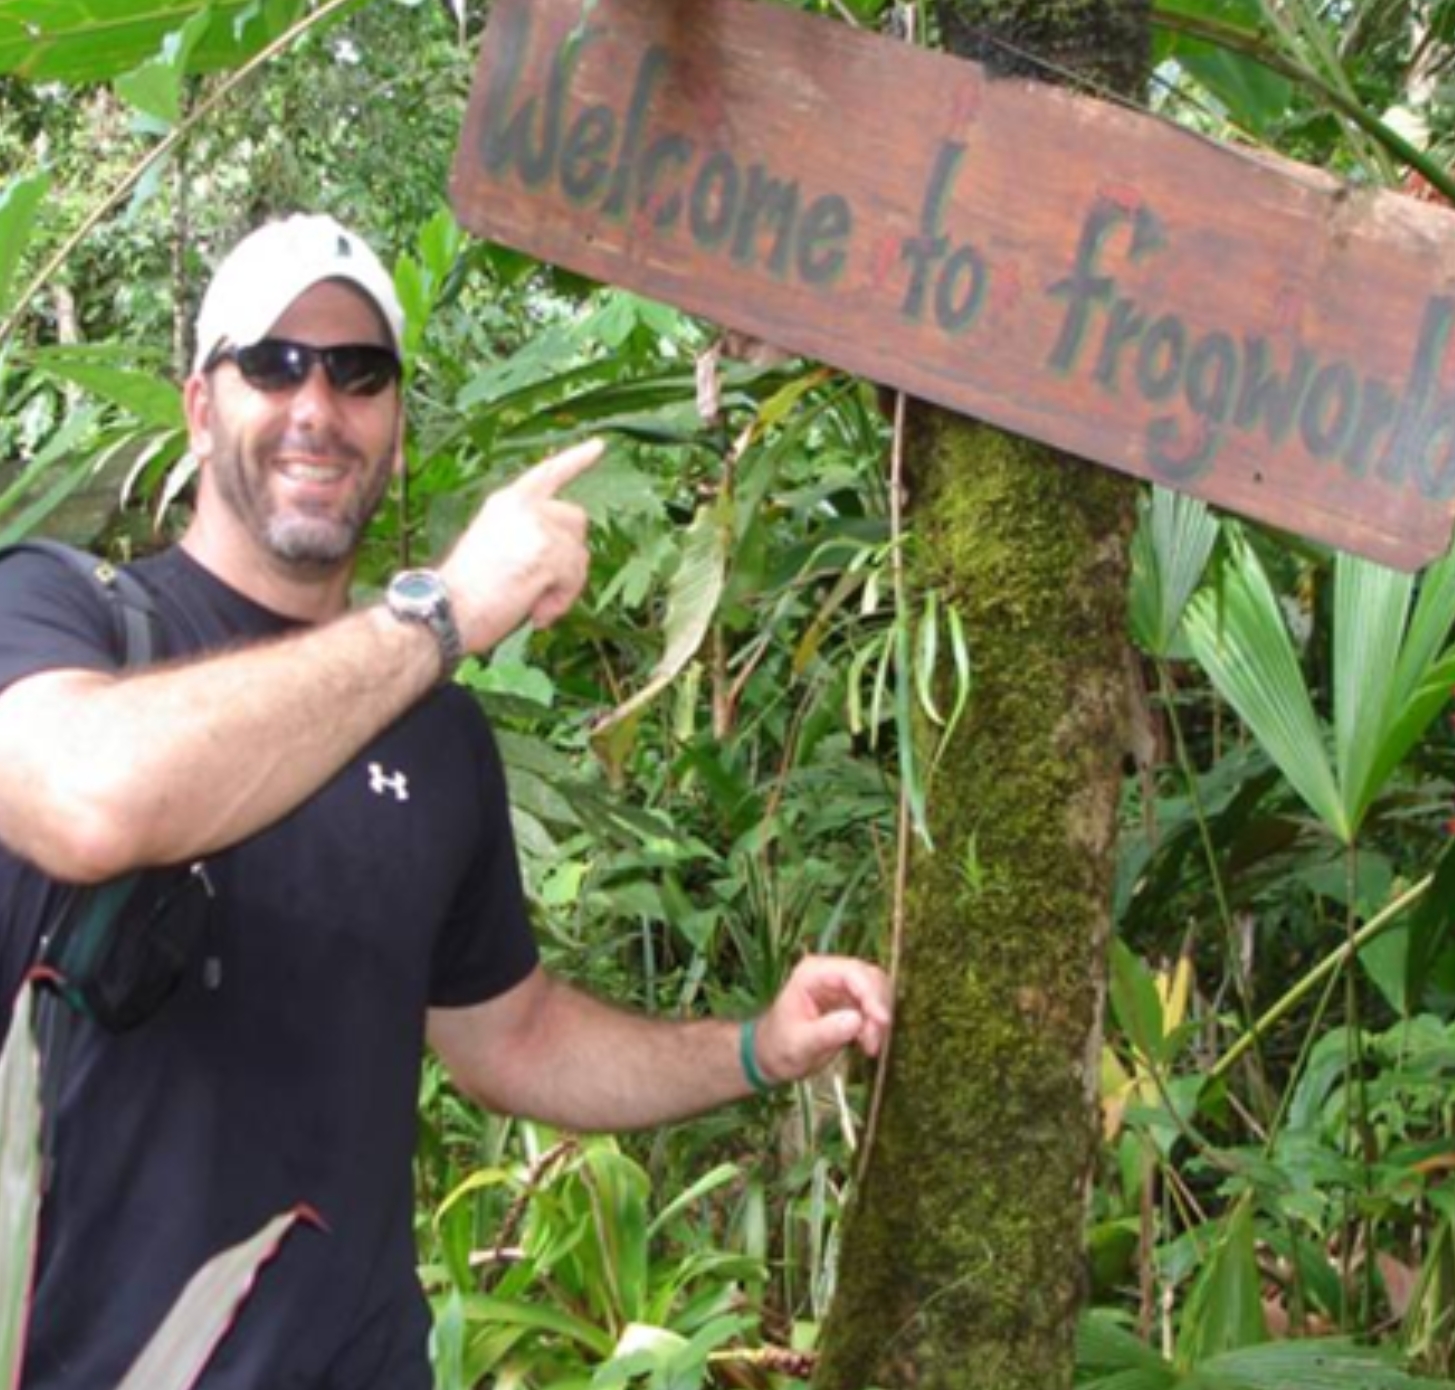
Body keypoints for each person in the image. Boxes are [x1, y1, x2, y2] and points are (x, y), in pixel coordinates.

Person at [0, 214, 892, 1390]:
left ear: (395, 423)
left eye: (358, 371)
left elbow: (511, 1038)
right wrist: (446, 611)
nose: (317, 405)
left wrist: (755, 1047)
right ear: (200, 407)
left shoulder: (436, 731)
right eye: (272, 362)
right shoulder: (59, 612)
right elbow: (88, 799)